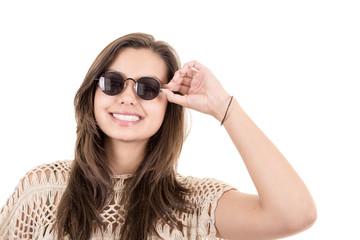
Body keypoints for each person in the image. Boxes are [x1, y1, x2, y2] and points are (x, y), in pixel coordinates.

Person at [0, 33, 316, 240]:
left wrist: (224, 108)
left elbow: (295, 214)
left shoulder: (195, 205)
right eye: (113, 82)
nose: (127, 98)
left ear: (169, 103)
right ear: (92, 93)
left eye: (147, 88)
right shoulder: (43, 191)